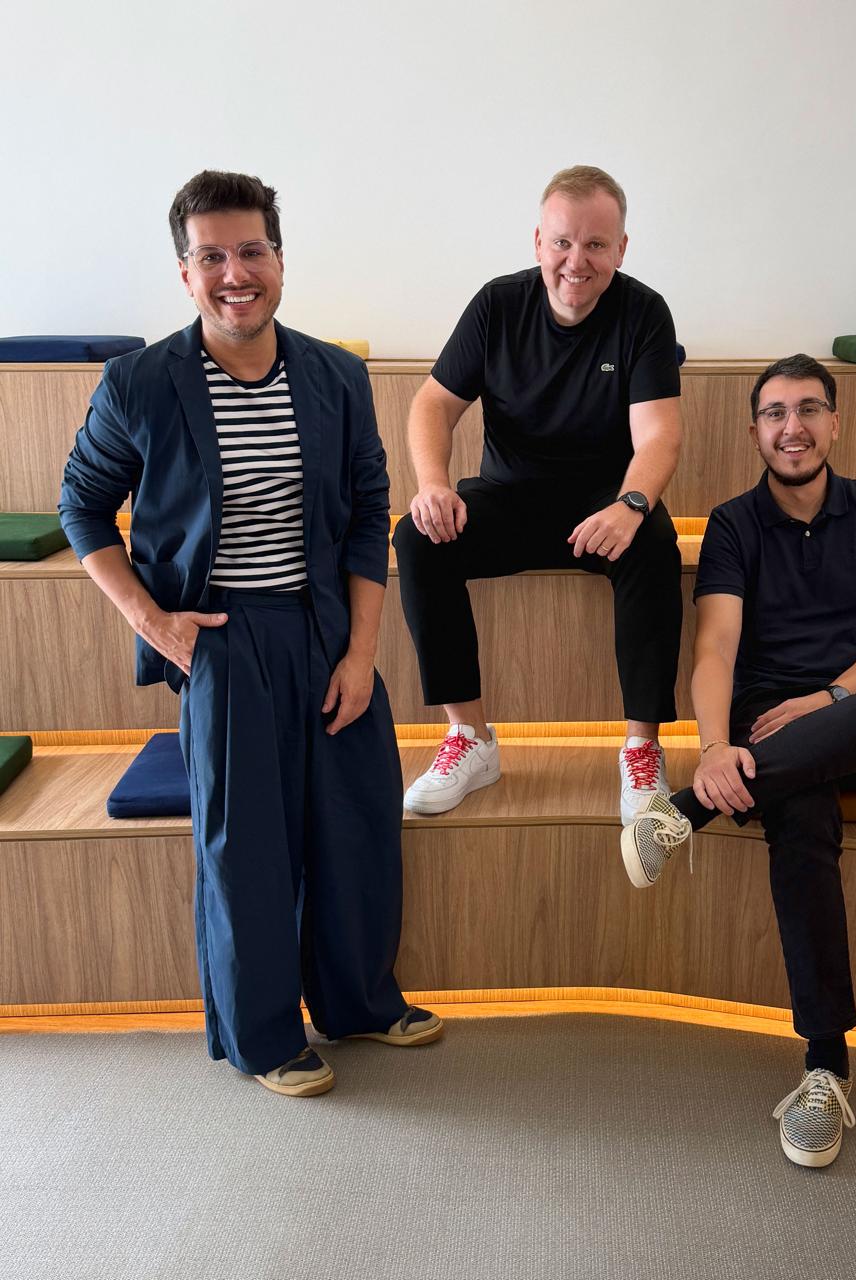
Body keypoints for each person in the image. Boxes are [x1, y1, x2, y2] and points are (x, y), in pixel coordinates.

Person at [59, 170, 441, 1098]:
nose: (236, 274)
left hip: (326, 626)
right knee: (247, 847)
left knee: (355, 823)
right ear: (185, 274)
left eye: (252, 251)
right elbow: (81, 507)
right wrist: (154, 622)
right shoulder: (139, 383)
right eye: (212, 257)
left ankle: (357, 1002)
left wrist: (361, 653)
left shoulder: (335, 375)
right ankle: (264, 1035)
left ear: (279, 258)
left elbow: (368, 512)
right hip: (223, 638)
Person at [620, 354, 856, 1167]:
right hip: (764, 729)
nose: (791, 427)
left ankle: (685, 812)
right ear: (754, 431)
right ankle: (825, 1066)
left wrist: (828, 700)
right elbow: (714, 649)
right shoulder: (733, 523)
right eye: (774, 413)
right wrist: (713, 745)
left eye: (807, 410)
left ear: (834, 423)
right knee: (799, 812)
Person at [393, 165, 683, 822]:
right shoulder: (497, 304)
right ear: (537, 243)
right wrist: (433, 484)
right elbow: (433, 404)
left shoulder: (643, 312)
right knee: (417, 536)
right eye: (562, 242)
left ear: (621, 249)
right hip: (510, 499)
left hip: (606, 508)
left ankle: (642, 750)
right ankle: (470, 737)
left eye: (595, 244)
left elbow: (659, 434)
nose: (576, 261)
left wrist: (631, 504)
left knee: (655, 543)